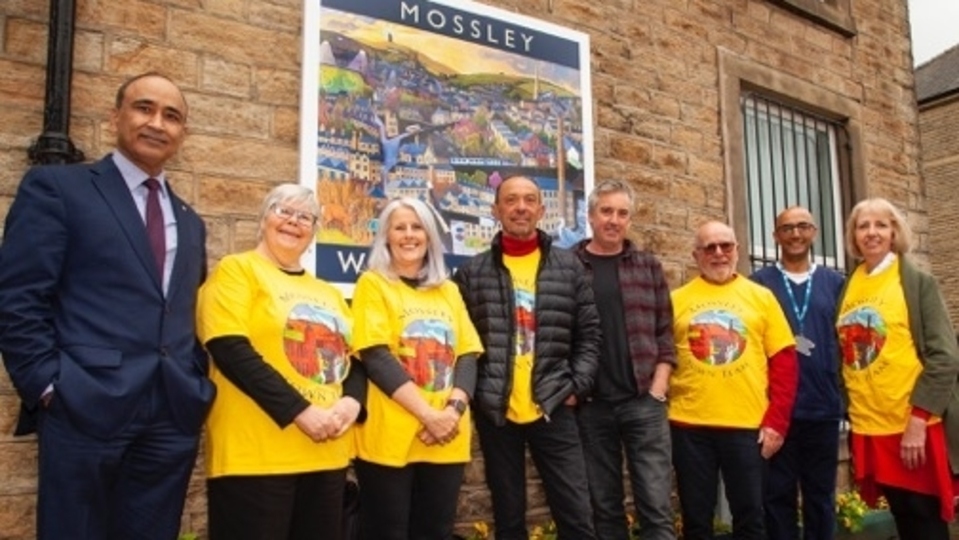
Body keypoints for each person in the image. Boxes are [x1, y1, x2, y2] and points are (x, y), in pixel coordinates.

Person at [0, 72, 215, 539]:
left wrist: (194, 380)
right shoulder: (59, 189)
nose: (157, 122)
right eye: (144, 108)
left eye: (172, 116)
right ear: (116, 116)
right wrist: (49, 386)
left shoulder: (191, 223)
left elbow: (178, 313)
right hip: (84, 408)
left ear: (183, 133)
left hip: (170, 417)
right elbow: (19, 298)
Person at [196, 184, 364, 539]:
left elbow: (354, 360)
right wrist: (300, 411)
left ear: (315, 230)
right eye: (282, 211)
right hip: (255, 457)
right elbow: (230, 349)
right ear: (263, 219)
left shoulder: (329, 293)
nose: (293, 222)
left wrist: (351, 402)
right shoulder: (236, 271)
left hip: (327, 457)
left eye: (305, 216)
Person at [453, 175, 601, 540]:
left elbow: (590, 335)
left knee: (576, 513)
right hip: (497, 411)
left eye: (529, 200)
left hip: (554, 403)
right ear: (496, 210)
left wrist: (576, 388)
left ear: (541, 209)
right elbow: (462, 343)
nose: (520, 207)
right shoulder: (472, 272)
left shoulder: (569, 267)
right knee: (508, 515)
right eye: (511, 200)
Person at [350, 197, 482, 540]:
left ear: (430, 236)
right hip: (390, 436)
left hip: (446, 436)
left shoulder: (449, 291)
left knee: (436, 531)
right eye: (399, 227)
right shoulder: (373, 284)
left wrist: (451, 413)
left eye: (417, 226)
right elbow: (375, 355)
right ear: (386, 237)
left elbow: (468, 354)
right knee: (386, 532)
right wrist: (429, 415)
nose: (409, 235)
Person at [836, 197, 959, 540]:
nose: (871, 233)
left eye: (881, 225)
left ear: (894, 232)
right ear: (853, 235)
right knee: (901, 513)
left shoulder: (918, 283)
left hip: (912, 424)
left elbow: (945, 356)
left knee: (924, 518)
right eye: (863, 226)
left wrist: (918, 420)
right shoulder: (849, 285)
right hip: (870, 425)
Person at [669, 221, 798, 540]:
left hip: (748, 427)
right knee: (696, 519)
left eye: (726, 246)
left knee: (751, 518)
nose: (718, 253)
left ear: (737, 251)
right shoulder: (676, 300)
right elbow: (662, 358)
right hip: (689, 426)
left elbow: (785, 363)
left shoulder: (762, 297)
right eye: (709, 247)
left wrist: (777, 423)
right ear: (695, 255)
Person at [572, 180, 676, 540]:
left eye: (622, 213)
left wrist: (658, 389)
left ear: (630, 219)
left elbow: (665, 332)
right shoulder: (567, 265)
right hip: (591, 407)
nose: (613, 220)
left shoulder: (647, 266)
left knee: (656, 507)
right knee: (605, 508)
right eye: (606, 211)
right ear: (590, 216)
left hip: (643, 403)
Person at [750, 206, 845, 540]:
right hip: (776, 413)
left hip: (822, 408)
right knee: (777, 498)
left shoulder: (835, 283)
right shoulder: (759, 285)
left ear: (814, 232)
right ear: (775, 236)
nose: (795, 234)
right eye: (787, 228)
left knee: (820, 497)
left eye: (802, 226)